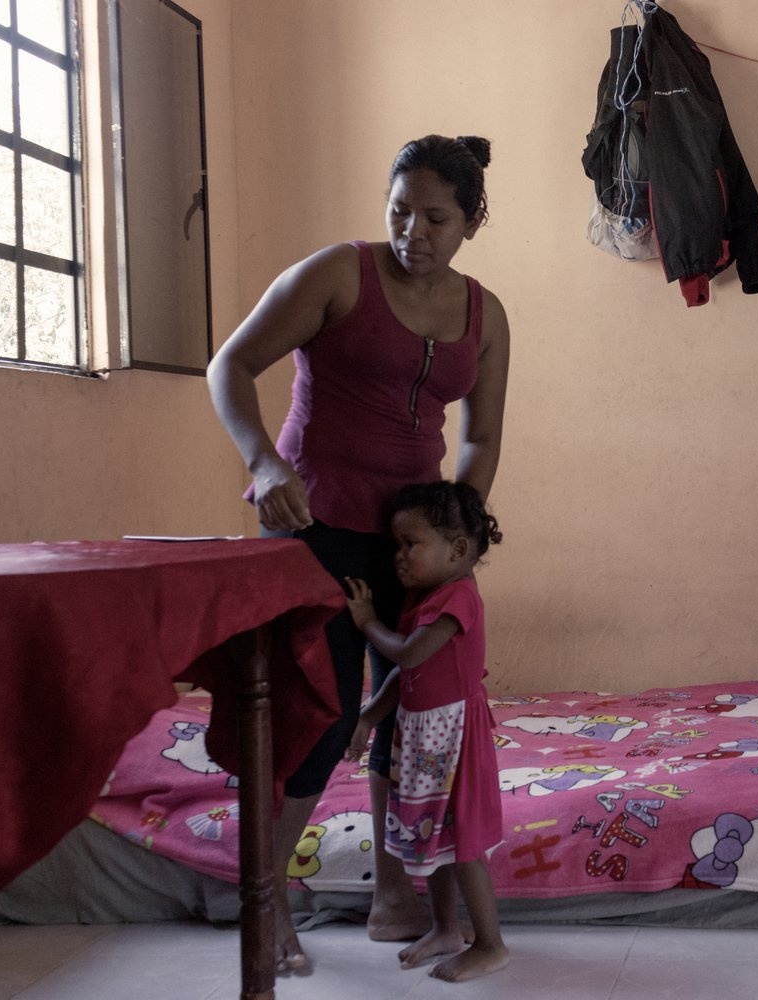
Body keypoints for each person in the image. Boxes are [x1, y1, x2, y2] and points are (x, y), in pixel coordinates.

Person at [206, 134, 509, 972]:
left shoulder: (484, 315)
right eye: (401, 209)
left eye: (437, 217)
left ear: (472, 222)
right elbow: (230, 365)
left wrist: (461, 538)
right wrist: (264, 462)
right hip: (317, 523)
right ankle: (265, 908)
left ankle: (392, 894)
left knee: (408, 709)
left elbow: (480, 436)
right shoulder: (338, 274)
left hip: (412, 543)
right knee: (324, 707)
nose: (415, 230)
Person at [343, 480, 508, 982]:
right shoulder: (427, 595)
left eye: (410, 544)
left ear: (458, 550)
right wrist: (370, 716)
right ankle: (444, 927)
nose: (399, 556)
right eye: (396, 544)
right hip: (423, 735)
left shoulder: (458, 598)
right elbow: (406, 674)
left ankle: (491, 944)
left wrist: (367, 622)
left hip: (454, 737)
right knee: (434, 837)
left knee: (463, 845)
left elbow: (410, 653)